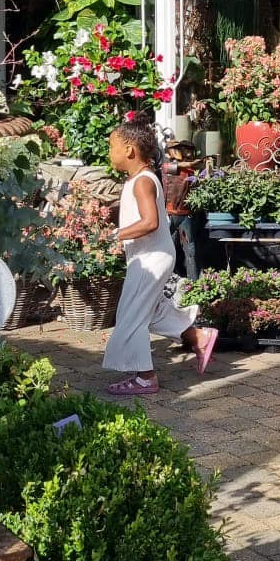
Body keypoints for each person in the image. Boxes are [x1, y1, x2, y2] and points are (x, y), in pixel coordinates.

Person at [102, 119, 218, 396]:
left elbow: (150, 222)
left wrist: (115, 235)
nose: (110, 152)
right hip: (151, 256)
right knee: (151, 310)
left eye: (112, 146)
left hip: (151, 259)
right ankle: (199, 337)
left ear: (129, 151)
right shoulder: (139, 179)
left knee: (133, 315)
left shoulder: (142, 181)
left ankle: (145, 377)